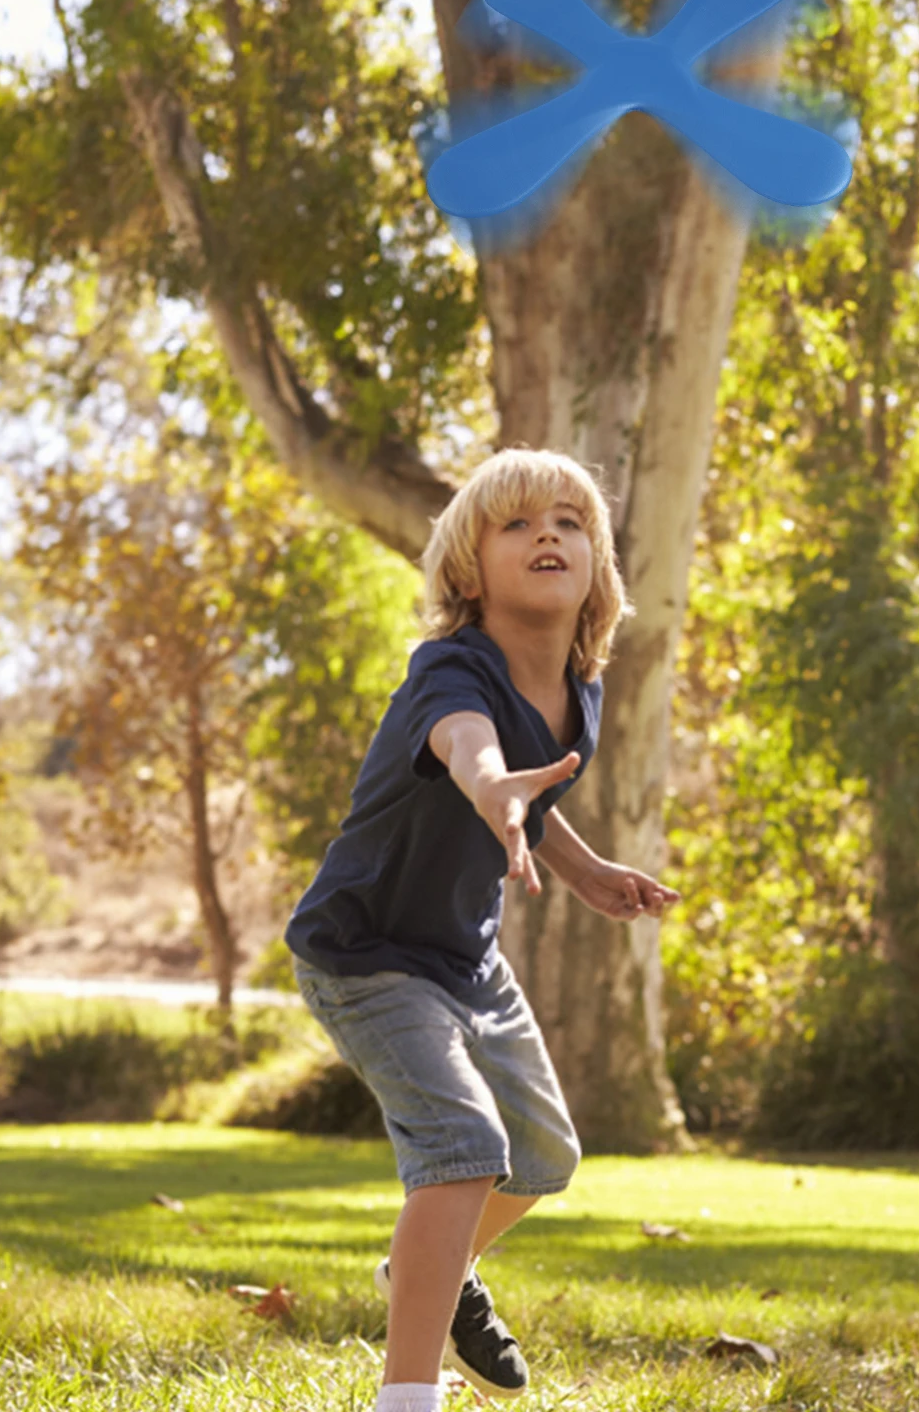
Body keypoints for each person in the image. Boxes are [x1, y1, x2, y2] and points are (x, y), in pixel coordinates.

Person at [285, 448, 680, 1412]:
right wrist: (489, 782)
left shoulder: (578, 685)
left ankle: (429, 1271)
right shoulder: (450, 668)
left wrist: (585, 873)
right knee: (463, 1144)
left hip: (466, 957)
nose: (548, 532)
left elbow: (529, 792)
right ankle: (407, 1393)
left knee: (544, 1155)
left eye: (569, 521)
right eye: (518, 524)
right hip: (367, 952)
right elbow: (472, 745)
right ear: (469, 572)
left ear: (599, 565)